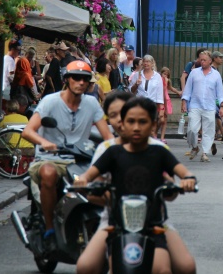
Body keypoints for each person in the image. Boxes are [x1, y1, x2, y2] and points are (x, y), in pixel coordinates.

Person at [75, 96, 197, 274]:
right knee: (85, 267)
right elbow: (88, 176)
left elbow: (183, 173)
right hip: (116, 225)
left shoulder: (159, 151)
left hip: (154, 225)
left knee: (180, 268)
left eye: (143, 122)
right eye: (130, 121)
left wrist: (187, 180)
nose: (136, 127)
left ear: (153, 125)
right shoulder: (111, 152)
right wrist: (82, 182)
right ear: (121, 123)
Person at [21, 60, 113, 251]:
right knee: (48, 173)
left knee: (107, 184)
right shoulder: (50, 101)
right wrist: (45, 142)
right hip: (51, 159)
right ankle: (49, 229)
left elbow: (107, 136)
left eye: (85, 79)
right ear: (67, 79)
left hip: (81, 159)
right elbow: (28, 131)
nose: (81, 82)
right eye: (76, 78)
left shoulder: (91, 103)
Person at [181, 50, 223, 162]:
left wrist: (222, 106)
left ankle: (205, 153)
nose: (202, 62)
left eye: (204, 60)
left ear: (210, 61)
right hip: (195, 105)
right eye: (201, 59)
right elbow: (187, 89)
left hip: (209, 106)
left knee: (209, 131)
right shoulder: (194, 73)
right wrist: (184, 101)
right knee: (192, 129)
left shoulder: (216, 75)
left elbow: (220, 93)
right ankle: (195, 147)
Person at [130, 55, 166, 139]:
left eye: (148, 62)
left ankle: (152, 144)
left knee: (152, 128)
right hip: (140, 105)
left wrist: (161, 109)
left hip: (152, 105)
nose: (146, 63)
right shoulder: (137, 75)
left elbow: (159, 93)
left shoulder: (157, 76)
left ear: (152, 63)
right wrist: (136, 84)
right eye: (145, 61)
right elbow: (131, 90)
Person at [159, 67, 176, 142]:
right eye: (164, 74)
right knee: (159, 119)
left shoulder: (167, 82)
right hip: (161, 101)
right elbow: (162, 90)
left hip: (166, 100)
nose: (165, 76)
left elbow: (171, 88)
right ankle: (155, 134)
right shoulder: (159, 81)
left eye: (167, 75)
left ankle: (162, 137)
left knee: (164, 120)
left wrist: (179, 92)